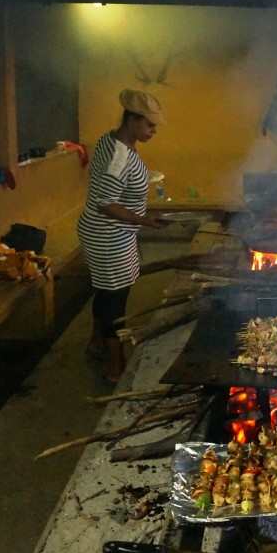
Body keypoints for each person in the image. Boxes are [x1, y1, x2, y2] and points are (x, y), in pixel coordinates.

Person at [77, 88, 165, 383]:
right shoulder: (119, 157)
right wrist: (146, 221)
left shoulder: (111, 139)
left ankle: (96, 343)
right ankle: (116, 367)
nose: (153, 131)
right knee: (115, 301)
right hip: (108, 237)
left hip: (107, 233)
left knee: (106, 291)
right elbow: (106, 203)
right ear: (132, 120)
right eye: (149, 125)